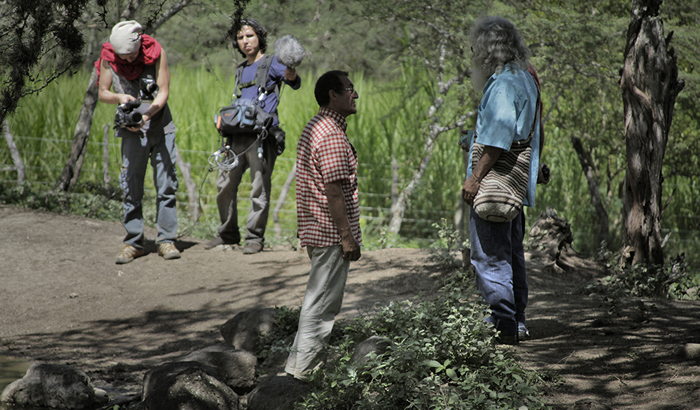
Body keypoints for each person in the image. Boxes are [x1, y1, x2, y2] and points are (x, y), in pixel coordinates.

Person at [461, 17, 547, 344]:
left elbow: (498, 141)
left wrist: (474, 178)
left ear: (488, 50)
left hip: (494, 186)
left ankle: (503, 325)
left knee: (489, 256)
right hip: (514, 185)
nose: (473, 55)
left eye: (475, 49)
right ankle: (517, 320)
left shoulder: (502, 85)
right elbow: (525, 132)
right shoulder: (524, 77)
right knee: (512, 254)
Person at [285, 70, 361, 380]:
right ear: (333, 95)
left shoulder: (316, 125)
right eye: (349, 89)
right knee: (322, 305)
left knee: (317, 301)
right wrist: (347, 236)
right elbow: (333, 191)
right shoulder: (330, 133)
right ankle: (305, 371)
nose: (355, 95)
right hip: (331, 234)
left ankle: (297, 366)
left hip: (318, 229)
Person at [204, 18, 301, 254]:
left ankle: (254, 238)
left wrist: (291, 74)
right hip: (236, 136)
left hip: (262, 136)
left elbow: (294, 81)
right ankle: (228, 234)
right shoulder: (240, 69)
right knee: (224, 184)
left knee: (259, 187)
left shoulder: (272, 63)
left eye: (250, 36)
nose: (245, 41)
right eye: (240, 38)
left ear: (260, 38)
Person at [96, 20, 181, 264]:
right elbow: (102, 93)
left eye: (132, 55)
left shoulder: (155, 52)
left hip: (160, 126)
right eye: (123, 57)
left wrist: (146, 116)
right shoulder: (108, 57)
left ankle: (166, 240)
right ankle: (134, 242)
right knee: (131, 185)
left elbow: (163, 91)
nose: (129, 60)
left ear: (139, 45)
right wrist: (120, 97)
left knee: (166, 185)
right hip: (130, 129)